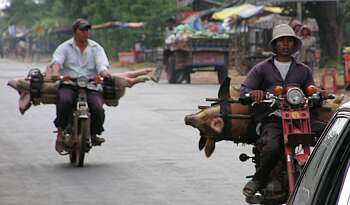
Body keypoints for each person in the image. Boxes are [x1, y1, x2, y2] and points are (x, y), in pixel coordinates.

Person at [239, 24, 315, 198]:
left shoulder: (303, 70)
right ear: (275, 45)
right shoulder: (262, 68)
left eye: (289, 41)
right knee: (272, 146)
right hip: (273, 117)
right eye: (281, 41)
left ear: (294, 44)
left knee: (325, 142)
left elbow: (312, 89)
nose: (285, 44)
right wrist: (254, 94)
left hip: (300, 117)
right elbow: (244, 91)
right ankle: (259, 179)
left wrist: (318, 94)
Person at [50, 18, 111, 153]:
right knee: (64, 101)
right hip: (69, 83)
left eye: (87, 30)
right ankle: (60, 134)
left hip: (90, 84)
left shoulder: (96, 48)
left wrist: (104, 72)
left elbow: (102, 64)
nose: (85, 32)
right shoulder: (64, 47)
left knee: (97, 108)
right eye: (82, 30)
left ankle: (94, 134)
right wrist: (55, 72)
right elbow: (57, 62)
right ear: (74, 32)